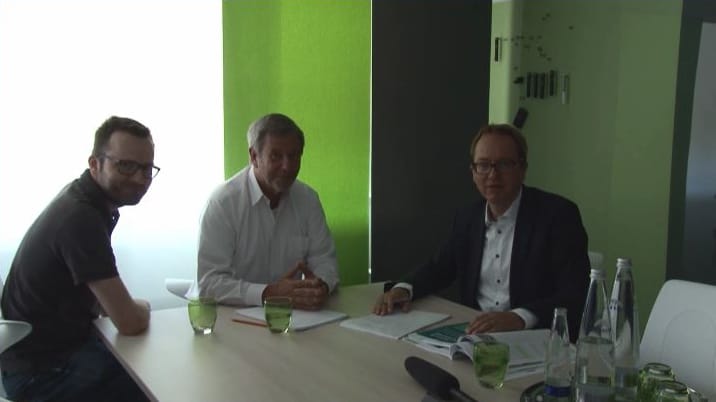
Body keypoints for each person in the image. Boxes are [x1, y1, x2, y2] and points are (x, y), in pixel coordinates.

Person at [374, 123, 589, 340]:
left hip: (533, 339)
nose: (493, 175)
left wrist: (519, 317)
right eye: (484, 165)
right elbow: (439, 268)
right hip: (475, 335)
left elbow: (575, 294)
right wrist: (404, 289)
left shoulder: (558, 216)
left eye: (504, 164)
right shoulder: (468, 218)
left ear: (522, 169)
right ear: (473, 172)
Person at [0, 116, 157, 401]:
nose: (139, 178)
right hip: (40, 374)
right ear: (95, 164)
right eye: (125, 166)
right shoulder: (81, 217)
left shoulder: (86, 200)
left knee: (150, 364)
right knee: (158, 382)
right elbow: (129, 322)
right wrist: (143, 308)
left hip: (48, 355)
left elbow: (104, 304)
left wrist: (127, 311)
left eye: (147, 169)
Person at [197, 113, 339, 310]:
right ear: (254, 157)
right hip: (234, 318)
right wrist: (269, 293)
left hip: (296, 317)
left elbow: (325, 261)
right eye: (276, 156)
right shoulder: (223, 203)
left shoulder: (308, 199)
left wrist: (320, 287)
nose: (287, 166)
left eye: (293, 156)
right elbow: (209, 283)